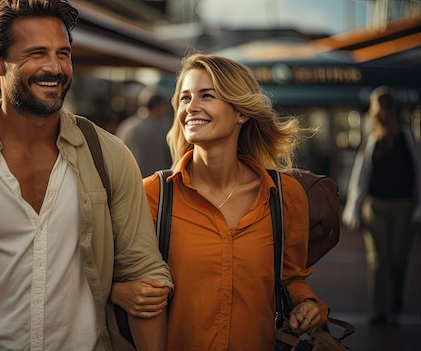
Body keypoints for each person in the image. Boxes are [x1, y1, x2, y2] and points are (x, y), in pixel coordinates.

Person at [0, 1, 173, 351]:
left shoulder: (108, 155)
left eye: (62, 53)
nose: (54, 67)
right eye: (37, 53)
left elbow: (144, 275)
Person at [110, 53, 329, 349]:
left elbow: (290, 279)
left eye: (207, 96)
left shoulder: (284, 195)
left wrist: (308, 304)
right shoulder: (153, 195)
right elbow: (105, 273)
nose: (191, 107)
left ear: (241, 112)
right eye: (185, 98)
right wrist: (118, 292)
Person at [342, 86, 421, 325]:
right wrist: (353, 210)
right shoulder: (371, 140)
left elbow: (419, 173)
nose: (381, 113)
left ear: (391, 110)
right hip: (375, 207)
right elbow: (360, 177)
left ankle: (395, 302)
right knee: (378, 261)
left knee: (398, 259)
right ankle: (378, 310)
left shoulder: (407, 138)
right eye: (377, 108)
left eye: (384, 107)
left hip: (403, 207)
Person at [115, 90, 173, 177]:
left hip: (131, 182)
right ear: (159, 106)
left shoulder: (126, 127)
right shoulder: (164, 129)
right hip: (158, 185)